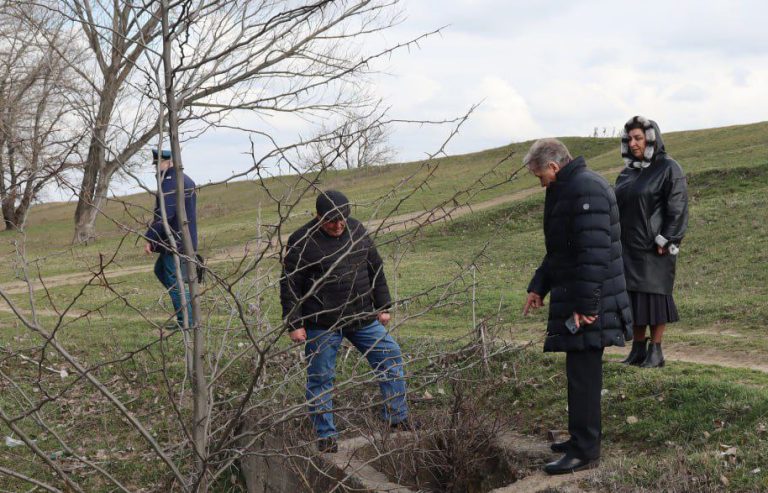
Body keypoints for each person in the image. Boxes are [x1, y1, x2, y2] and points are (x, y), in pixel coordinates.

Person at [522, 139, 632, 475]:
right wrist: (539, 286)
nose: (540, 183)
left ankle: (585, 452)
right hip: (581, 297)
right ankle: (579, 439)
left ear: (553, 166)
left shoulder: (586, 189)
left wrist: (587, 305)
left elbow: (593, 253)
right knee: (578, 373)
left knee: (585, 376)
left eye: (540, 176)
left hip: (590, 302)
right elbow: (561, 249)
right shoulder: (568, 189)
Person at [280, 190, 413, 453]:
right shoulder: (301, 241)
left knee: (390, 356)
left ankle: (396, 418)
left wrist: (383, 306)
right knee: (321, 378)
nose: (338, 225)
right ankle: (326, 435)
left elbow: (375, 267)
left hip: (361, 315)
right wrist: (294, 324)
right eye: (331, 221)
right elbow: (290, 285)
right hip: (322, 323)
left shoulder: (357, 230)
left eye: (342, 219)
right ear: (318, 217)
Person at [615, 116, 688, 368]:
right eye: (629, 139)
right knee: (634, 299)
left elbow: (678, 207)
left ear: (651, 139)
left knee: (655, 298)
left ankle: (656, 352)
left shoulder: (669, 168)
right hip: (628, 247)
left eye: (638, 138)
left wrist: (668, 239)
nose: (633, 143)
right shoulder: (627, 173)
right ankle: (638, 350)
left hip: (655, 247)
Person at [145, 149, 198, 328]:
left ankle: (186, 320)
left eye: (158, 164)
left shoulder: (170, 182)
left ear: (169, 162)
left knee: (174, 281)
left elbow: (165, 216)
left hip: (174, 241)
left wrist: (150, 238)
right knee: (161, 271)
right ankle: (187, 315)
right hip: (182, 239)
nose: (156, 168)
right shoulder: (185, 179)